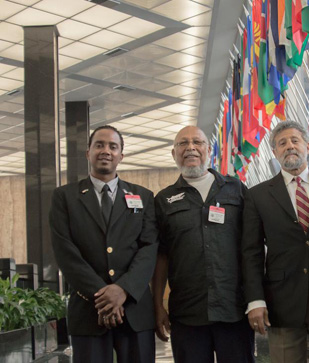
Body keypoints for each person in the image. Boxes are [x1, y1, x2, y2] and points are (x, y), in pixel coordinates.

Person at [242, 120, 309, 363]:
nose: (289, 146)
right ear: (274, 152)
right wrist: (255, 300)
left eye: (295, 140)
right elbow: (252, 252)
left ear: (307, 146)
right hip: (282, 303)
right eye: (282, 143)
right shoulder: (257, 195)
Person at [50, 125, 159, 363]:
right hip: (88, 312)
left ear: (121, 155)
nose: (106, 151)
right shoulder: (65, 197)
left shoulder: (143, 196)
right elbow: (65, 251)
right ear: (88, 152)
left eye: (113, 146)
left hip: (134, 311)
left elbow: (149, 249)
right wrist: (103, 297)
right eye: (99, 145)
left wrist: (123, 290)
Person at [152, 126, 254, 363]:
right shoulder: (163, 200)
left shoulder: (236, 189)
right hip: (188, 314)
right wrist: (157, 306)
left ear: (209, 150)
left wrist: (257, 299)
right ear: (173, 153)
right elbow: (160, 257)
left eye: (197, 142)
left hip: (234, 311)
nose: (190, 148)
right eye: (182, 143)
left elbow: (252, 249)